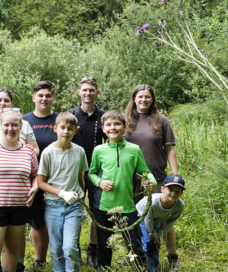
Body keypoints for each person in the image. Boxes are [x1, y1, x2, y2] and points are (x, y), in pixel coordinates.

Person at [22, 81, 82, 269]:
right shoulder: (25, 121)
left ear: (53, 98)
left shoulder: (61, 120)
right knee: (36, 223)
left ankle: (69, 258)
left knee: (63, 234)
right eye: (40, 95)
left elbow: (78, 163)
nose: (44, 98)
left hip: (63, 182)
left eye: (48, 95)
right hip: (35, 181)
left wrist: (81, 191)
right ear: (34, 97)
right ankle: (40, 259)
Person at [88, 110, 156, 271]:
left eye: (117, 124)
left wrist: (151, 181)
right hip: (104, 205)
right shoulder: (99, 150)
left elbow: (145, 171)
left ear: (124, 127)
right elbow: (92, 173)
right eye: (109, 125)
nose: (113, 128)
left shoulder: (134, 149)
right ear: (103, 128)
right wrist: (100, 182)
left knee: (134, 243)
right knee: (105, 244)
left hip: (127, 205)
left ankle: (141, 268)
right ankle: (104, 268)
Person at [123, 84, 181, 271]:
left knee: (161, 217)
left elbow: (169, 148)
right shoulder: (125, 120)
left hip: (156, 177)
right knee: (133, 218)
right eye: (140, 96)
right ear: (134, 99)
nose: (143, 100)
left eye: (147, 97)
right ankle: (135, 255)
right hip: (130, 179)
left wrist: (175, 174)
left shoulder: (161, 120)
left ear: (152, 100)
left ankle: (172, 255)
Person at [0, 108, 39, 272]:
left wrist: (35, 187)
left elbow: (36, 175)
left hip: (19, 206)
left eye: (14, 125)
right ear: (1, 126)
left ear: (21, 126)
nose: (10, 129)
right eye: (7, 125)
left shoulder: (28, 151)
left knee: (12, 250)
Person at [37, 112, 89, 272]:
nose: (66, 132)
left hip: (73, 206)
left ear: (75, 131)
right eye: (63, 128)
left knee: (70, 247)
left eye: (70, 129)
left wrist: (82, 200)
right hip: (53, 205)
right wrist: (61, 193)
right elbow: (40, 182)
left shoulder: (79, 151)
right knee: (56, 249)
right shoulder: (48, 152)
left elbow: (81, 178)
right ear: (55, 129)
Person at [67, 76, 107, 266]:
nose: (88, 93)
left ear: (97, 92)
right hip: (74, 172)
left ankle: (93, 249)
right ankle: (74, 250)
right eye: (85, 90)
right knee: (73, 211)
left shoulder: (104, 117)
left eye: (91, 90)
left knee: (96, 212)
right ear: (79, 92)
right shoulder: (71, 116)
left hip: (97, 172)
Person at [137, 175, 186, 272]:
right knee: (148, 244)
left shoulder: (180, 205)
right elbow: (148, 221)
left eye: (177, 191)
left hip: (157, 218)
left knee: (156, 244)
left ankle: (156, 264)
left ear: (181, 193)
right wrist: (152, 234)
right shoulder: (153, 202)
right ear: (162, 189)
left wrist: (157, 234)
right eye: (170, 189)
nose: (173, 193)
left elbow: (170, 223)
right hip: (142, 216)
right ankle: (149, 269)